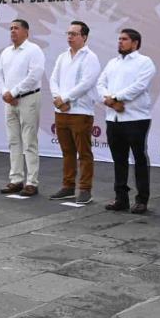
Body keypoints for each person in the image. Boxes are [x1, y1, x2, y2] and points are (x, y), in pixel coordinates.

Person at [97, 29, 156, 213]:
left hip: (136, 118)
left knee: (139, 158)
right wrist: (110, 101)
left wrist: (114, 97)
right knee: (119, 159)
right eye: (119, 39)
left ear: (135, 42)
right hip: (113, 118)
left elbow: (139, 86)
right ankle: (121, 198)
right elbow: (100, 84)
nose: (120, 42)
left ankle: (142, 199)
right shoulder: (112, 63)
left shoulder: (144, 62)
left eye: (124, 39)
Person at [49, 21, 101, 204]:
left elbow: (87, 83)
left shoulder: (90, 57)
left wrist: (65, 98)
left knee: (84, 152)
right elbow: (53, 79)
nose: (69, 36)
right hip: (61, 111)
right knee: (67, 151)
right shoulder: (62, 56)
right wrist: (57, 98)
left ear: (84, 37)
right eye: (68, 33)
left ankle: (85, 189)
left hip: (81, 111)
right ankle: (68, 186)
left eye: (74, 34)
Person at [0, 19, 45, 196]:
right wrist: (5, 92)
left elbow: (35, 75)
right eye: (11, 28)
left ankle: (32, 182)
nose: (12, 31)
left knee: (29, 141)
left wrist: (14, 92)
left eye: (16, 28)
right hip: (10, 101)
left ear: (26, 32)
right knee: (13, 141)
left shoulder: (34, 50)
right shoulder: (6, 52)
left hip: (28, 99)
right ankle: (16, 179)